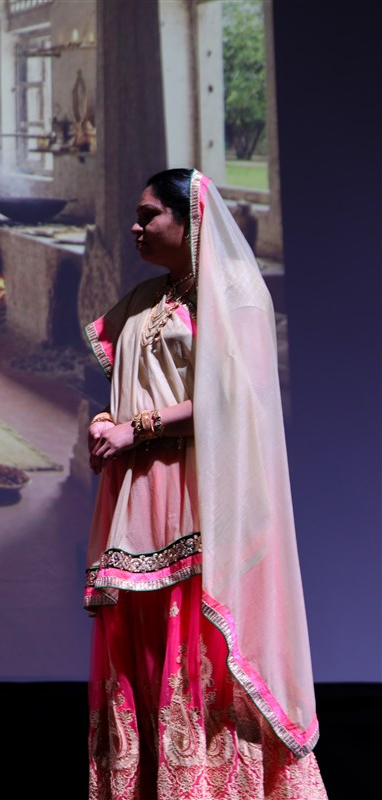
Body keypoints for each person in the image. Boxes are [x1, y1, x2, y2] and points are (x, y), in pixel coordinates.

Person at [84, 169, 327, 798]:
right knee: (143, 655)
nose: (135, 227)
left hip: (205, 494)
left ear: (189, 218)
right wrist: (106, 421)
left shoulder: (236, 294)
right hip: (140, 502)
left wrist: (136, 428)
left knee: (202, 654)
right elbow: (132, 386)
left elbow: (236, 398)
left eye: (149, 215)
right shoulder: (147, 299)